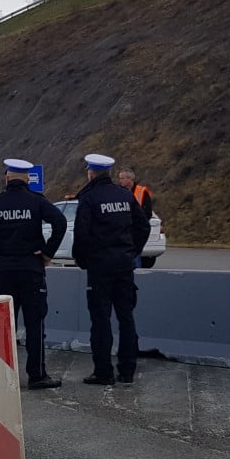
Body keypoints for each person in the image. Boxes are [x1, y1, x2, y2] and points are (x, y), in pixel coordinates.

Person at [0, 158, 68, 390]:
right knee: (34, 324)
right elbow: (60, 222)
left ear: (7, 179)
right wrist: (47, 252)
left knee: (5, 325)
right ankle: (37, 375)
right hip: (32, 270)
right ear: (28, 179)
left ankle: (3, 376)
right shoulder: (36, 201)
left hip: (4, 271)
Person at [72, 154, 150, 385]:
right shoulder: (125, 195)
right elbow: (143, 226)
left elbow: (81, 235)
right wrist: (132, 251)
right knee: (126, 317)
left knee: (101, 320)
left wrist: (83, 261)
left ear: (90, 173)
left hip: (99, 267)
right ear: (109, 172)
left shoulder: (89, 198)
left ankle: (103, 372)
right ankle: (127, 370)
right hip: (124, 266)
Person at [118, 168, 153, 269]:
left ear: (130, 179)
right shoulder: (118, 191)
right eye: (120, 178)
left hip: (136, 231)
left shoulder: (142, 191)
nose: (120, 181)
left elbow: (147, 212)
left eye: (122, 178)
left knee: (135, 260)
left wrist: (139, 224)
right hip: (123, 231)